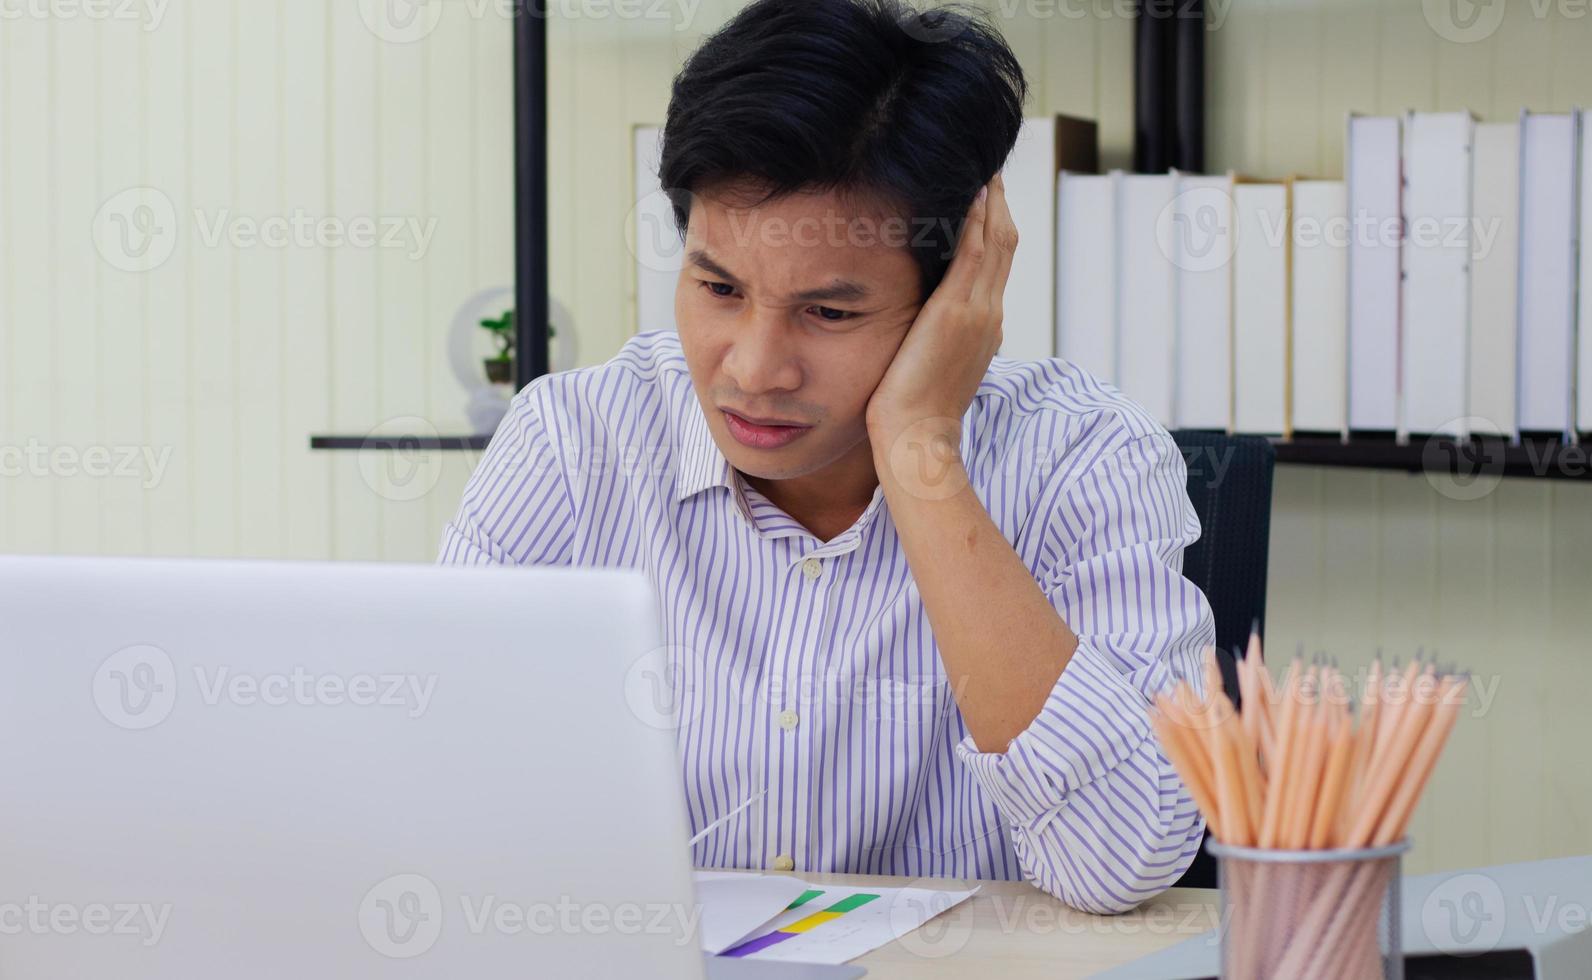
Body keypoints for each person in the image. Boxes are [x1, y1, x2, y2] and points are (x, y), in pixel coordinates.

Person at [439, 0, 1215, 914]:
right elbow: (437, 800)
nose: (756, 369)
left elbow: (1124, 857)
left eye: (830, 313)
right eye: (718, 287)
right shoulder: (574, 445)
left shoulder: (1087, 458)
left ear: (958, 290)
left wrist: (922, 452)